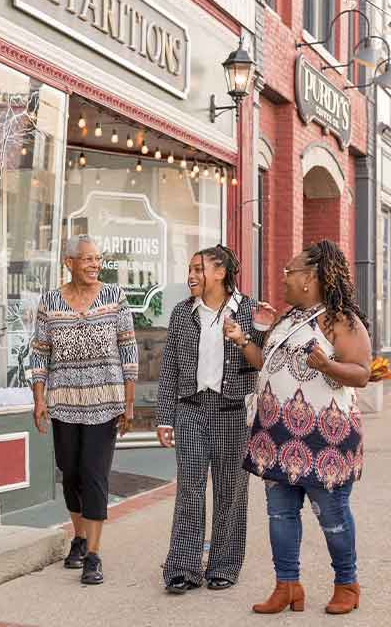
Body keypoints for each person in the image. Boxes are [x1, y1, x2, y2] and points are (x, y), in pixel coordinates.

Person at [230, 240, 372, 616]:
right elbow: (265, 363)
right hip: (276, 437)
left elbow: (361, 373)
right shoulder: (287, 319)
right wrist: (243, 340)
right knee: (280, 514)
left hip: (326, 438)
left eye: (289, 272)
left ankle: (347, 583)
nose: (285, 278)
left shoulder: (343, 321)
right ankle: (287, 585)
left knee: (332, 515)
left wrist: (329, 367)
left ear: (310, 278)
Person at [156, 245, 275, 594]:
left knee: (230, 491)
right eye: (189, 270)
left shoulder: (251, 310)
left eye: (198, 269)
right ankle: (182, 567)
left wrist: (258, 332)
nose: (191, 276)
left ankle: (223, 565)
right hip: (190, 409)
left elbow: (263, 361)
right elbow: (170, 370)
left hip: (232, 411)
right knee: (190, 487)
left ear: (220, 272)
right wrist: (165, 417)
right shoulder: (182, 313)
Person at [31, 234, 137, 585]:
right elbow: (40, 352)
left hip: (104, 401)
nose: (95, 265)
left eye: (98, 259)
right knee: (70, 473)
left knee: (94, 474)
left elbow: (129, 352)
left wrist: (129, 401)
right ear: (69, 263)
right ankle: (78, 536)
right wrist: (39, 398)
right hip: (63, 401)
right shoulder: (50, 301)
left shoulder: (114, 298)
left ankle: (93, 554)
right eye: (88, 259)